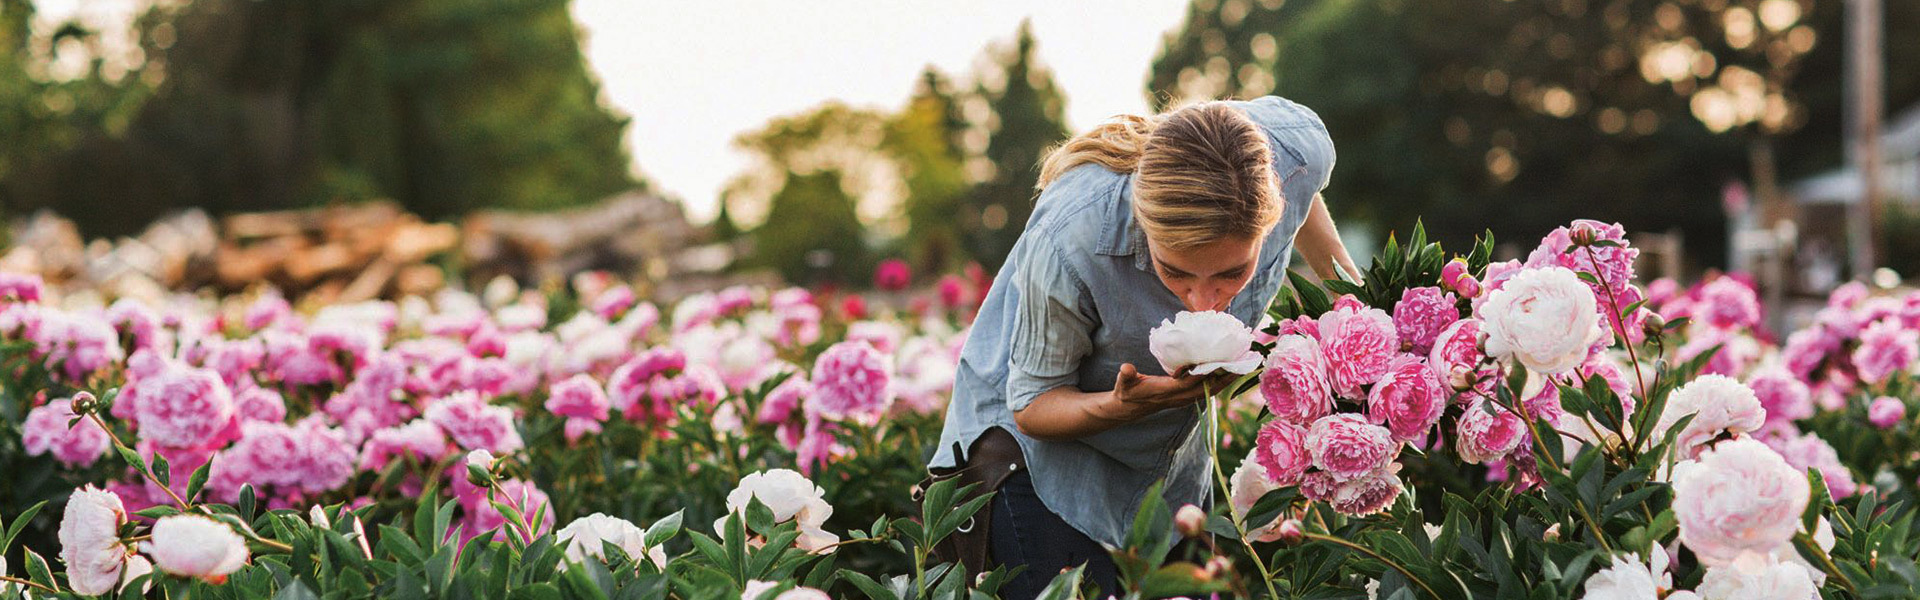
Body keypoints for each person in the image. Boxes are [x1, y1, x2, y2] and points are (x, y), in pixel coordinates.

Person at [924, 95, 1358, 599]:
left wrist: (1348, 299)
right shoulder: (1072, 237)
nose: (1204, 302)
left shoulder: (1296, 151)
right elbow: (1033, 404)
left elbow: (1301, 201)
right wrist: (1120, 405)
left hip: (1168, 473)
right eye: (1173, 271)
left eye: (1232, 273)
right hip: (1039, 464)